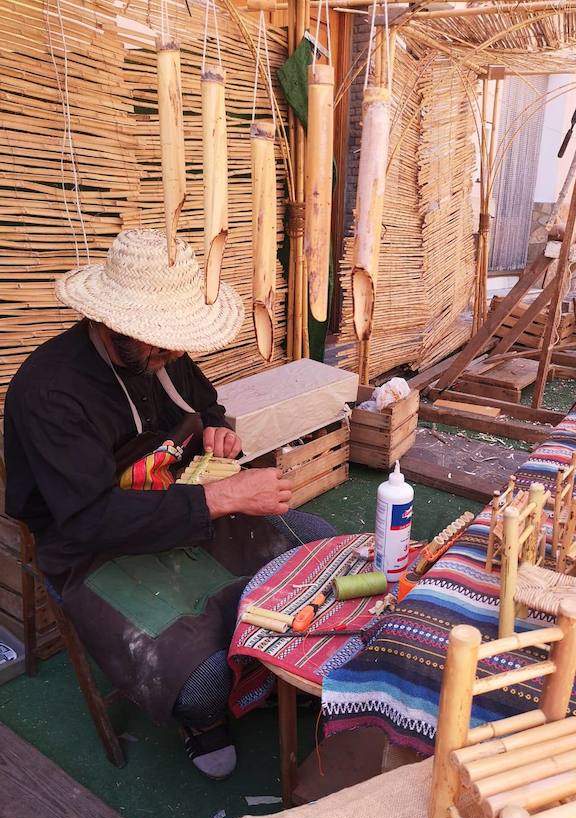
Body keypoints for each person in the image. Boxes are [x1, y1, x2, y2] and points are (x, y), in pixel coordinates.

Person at [4, 229, 335, 778]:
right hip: (95, 547)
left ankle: (271, 667)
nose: (174, 353)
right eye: (161, 340)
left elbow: (207, 405)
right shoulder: (50, 391)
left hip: (183, 505)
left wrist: (217, 432)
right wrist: (223, 496)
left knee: (318, 543)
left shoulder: (162, 353)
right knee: (201, 682)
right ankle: (205, 718)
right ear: (112, 323)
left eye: (178, 340)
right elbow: (89, 520)